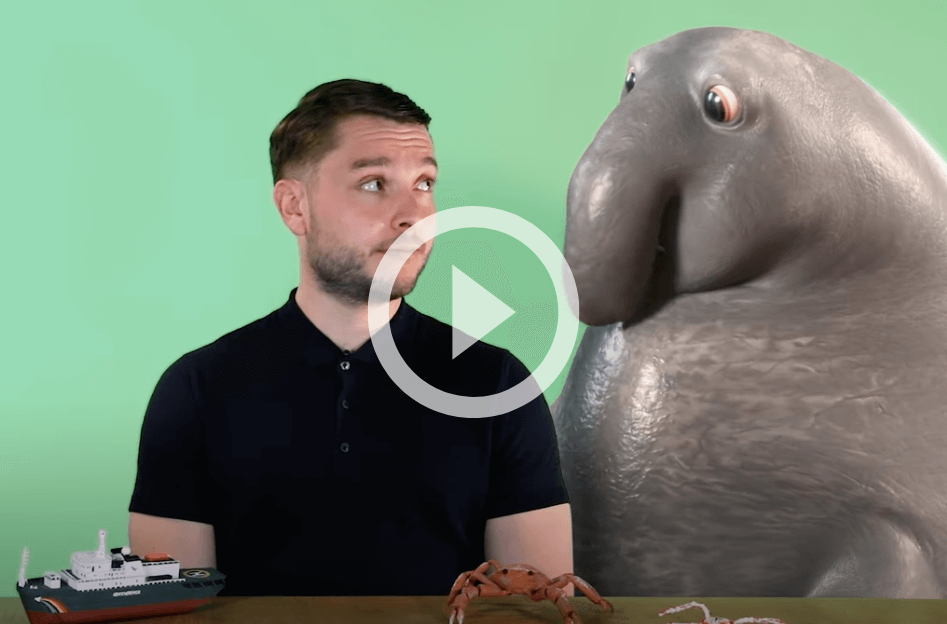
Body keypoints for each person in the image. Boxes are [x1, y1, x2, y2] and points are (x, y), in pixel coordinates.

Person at [127, 79, 573, 597]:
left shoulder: (496, 382)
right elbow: (172, 609)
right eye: (373, 183)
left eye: (424, 183)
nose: (413, 214)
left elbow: (539, 604)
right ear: (295, 207)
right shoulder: (195, 390)